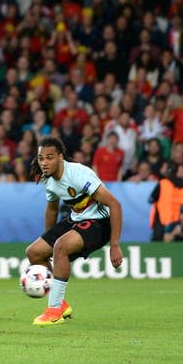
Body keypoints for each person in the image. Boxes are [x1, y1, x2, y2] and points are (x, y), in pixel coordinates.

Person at [26, 137, 123, 325]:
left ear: (61, 157)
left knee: (61, 247)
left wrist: (115, 245)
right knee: (34, 252)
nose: (44, 163)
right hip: (76, 219)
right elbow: (52, 208)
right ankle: (60, 304)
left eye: (49, 157)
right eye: (41, 158)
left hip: (100, 222)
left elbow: (114, 204)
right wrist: (48, 240)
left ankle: (54, 313)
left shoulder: (79, 174)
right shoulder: (49, 181)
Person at [148, 163, 183, 241]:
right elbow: (152, 199)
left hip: (177, 224)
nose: (181, 173)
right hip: (162, 224)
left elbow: (151, 199)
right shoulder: (164, 183)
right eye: (179, 171)